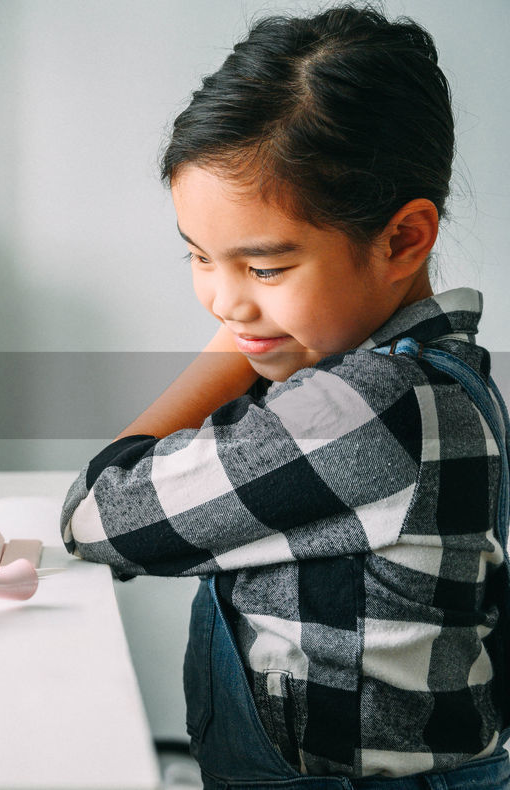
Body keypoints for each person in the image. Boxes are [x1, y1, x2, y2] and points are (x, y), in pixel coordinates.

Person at [60, 6, 510, 788]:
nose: (225, 303)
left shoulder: (365, 409)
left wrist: (229, 352)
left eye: (264, 269)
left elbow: (100, 515)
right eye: (199, 257)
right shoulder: (436, 373)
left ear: (404, 239)